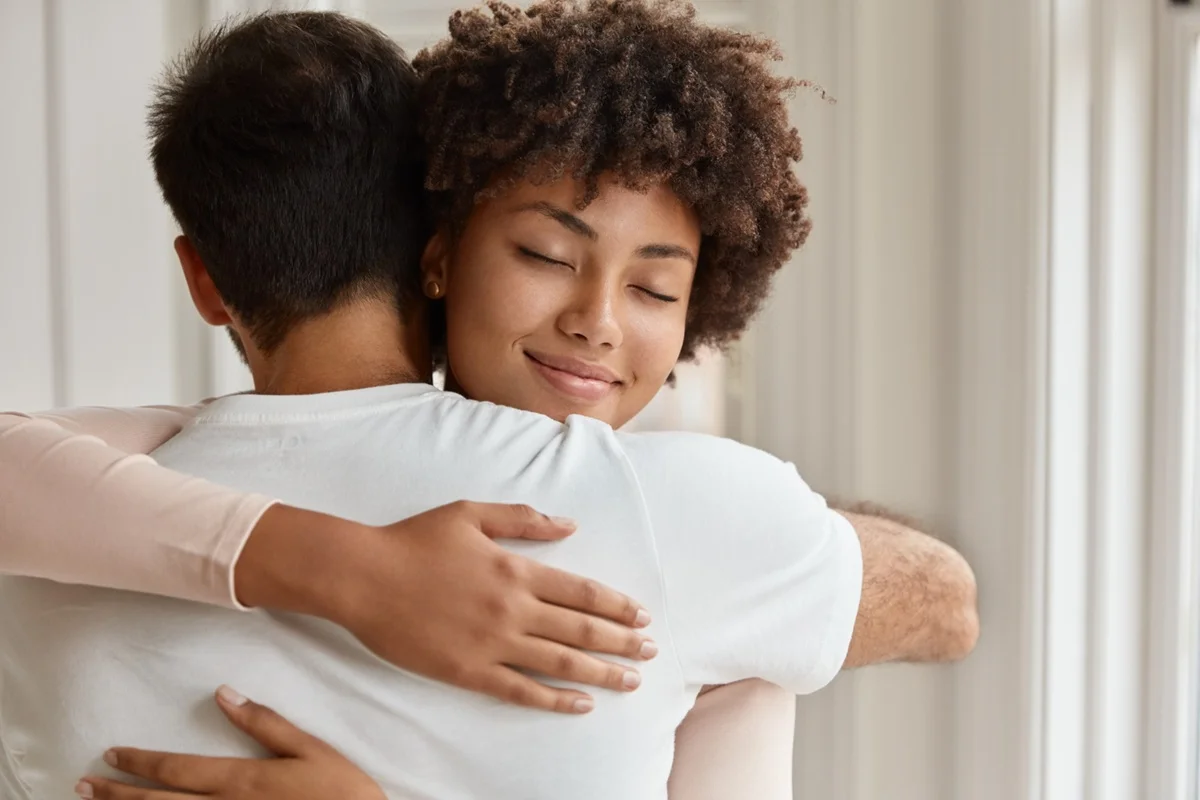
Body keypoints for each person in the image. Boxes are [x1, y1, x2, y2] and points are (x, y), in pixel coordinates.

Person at [0, 5, 978, 800]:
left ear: (204, 280)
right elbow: (943, 597)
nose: (595, 322)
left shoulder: (67, 531)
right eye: (546, 255)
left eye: (652, 288)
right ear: (440, 244)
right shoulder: (677, 517)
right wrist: (360, 572)